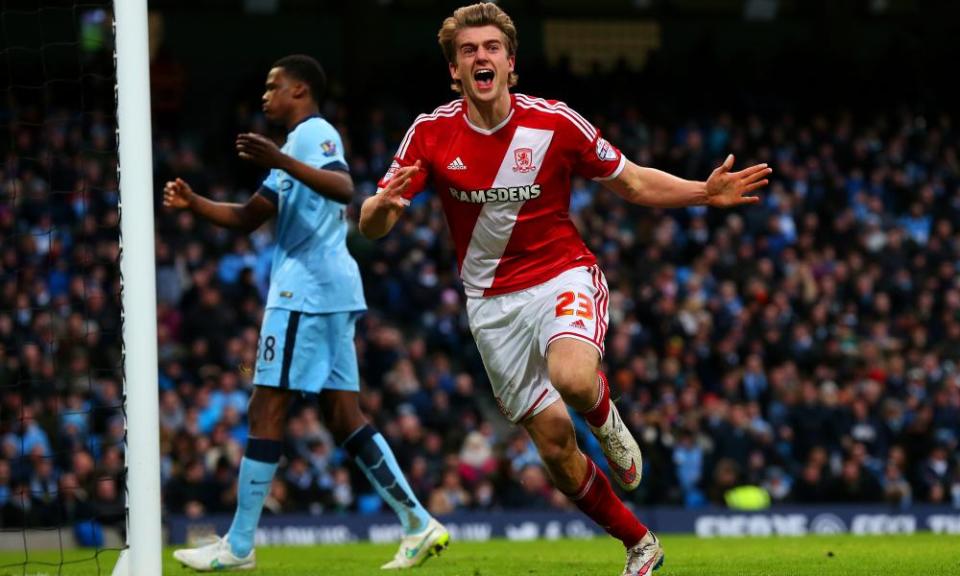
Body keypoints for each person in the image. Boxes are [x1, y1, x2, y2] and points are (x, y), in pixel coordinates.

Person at [358, 4, 771, 575]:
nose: (481, 57)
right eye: (468, 51)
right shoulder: (430, 133)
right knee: (554, 447)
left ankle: (608, 422)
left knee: (574, 377)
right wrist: (380, 206)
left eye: (491, 48)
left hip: (561, 274)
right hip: (490, 305)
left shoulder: (555, 123)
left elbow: (629, 180)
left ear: (511, 63)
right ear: (454, 70)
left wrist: (704, 192)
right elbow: (374, 224)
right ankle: (639, 544)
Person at [167, 54, 448, 572]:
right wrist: (195, 202)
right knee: (343, 414)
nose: (265, 96)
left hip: (306, 293)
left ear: (299, 90)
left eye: (273, 87)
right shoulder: (293, 149)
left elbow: (344, 188)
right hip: (329, 292)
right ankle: (417, 523)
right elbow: (247, 218)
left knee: (265, 404)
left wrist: (279, 159)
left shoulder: (315, 133)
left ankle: (239, 546)